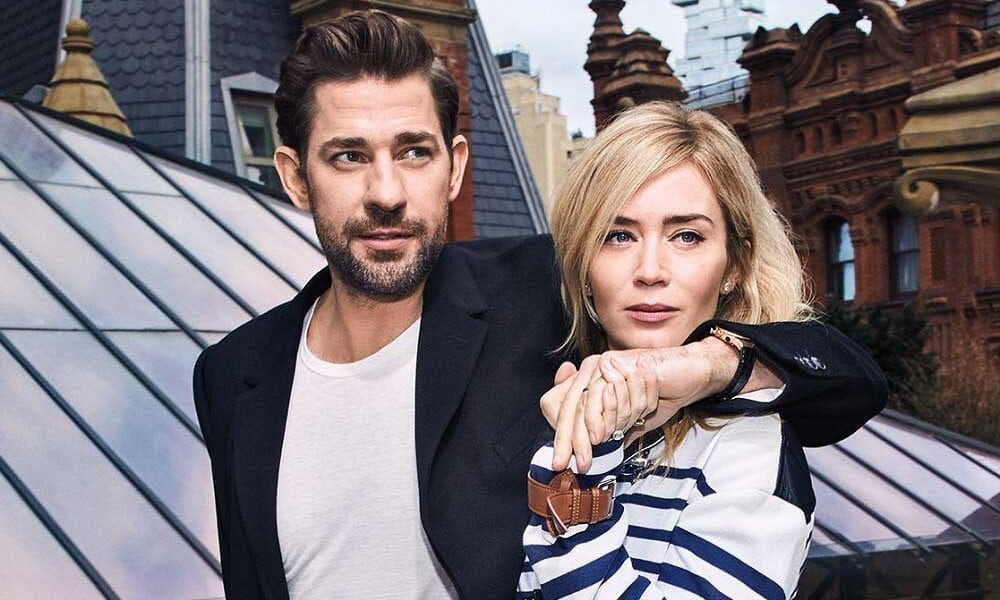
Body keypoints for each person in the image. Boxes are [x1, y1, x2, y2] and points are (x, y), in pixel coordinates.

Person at [191, 11, 886, 600]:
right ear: (295, 177)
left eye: (414, 152)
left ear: (455, 166)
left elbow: (846, 379)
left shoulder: (541, 291)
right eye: (348, 156)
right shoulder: (233, 374)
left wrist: (704, 364)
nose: (387, 193)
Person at [519, 102, 831, 598]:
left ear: (734, 264)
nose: (650, 270)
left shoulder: (746, 450)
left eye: (686, 236)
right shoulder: (546, 391)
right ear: (583, 266)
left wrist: (581, 474)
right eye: (618, 236)